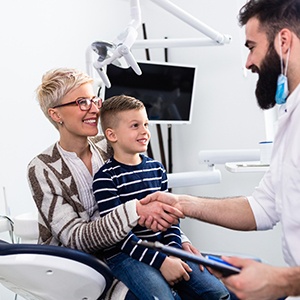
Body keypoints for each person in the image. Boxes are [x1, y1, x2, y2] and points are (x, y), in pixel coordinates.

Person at [141, 0, 300, 299]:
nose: (248, 62)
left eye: (252, 46)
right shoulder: (289, 119)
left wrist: (283, 281)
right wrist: (182, 203)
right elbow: (262, 208)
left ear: (283, 41)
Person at [27, 67, 192, 300]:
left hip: (134, 251)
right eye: (82, 102)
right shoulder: (43, 168)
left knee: (205, 284)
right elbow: (76, 239)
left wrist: (180, 243)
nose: (94, 109)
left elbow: (151, 195)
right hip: (80, 269)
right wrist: (135, 210)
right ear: (56, 115)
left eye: (95, 100)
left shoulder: (110, 145)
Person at [92, 95, 230, 300]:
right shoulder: (105, 178)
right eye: (135, 125)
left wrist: (174, 253)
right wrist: (161, 262)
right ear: (112, 135)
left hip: (163, 246)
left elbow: (172, 219)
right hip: (125, 254)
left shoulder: (157, 169)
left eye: (146, 124)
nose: (145, 131)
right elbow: (119, 236)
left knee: (217, 293)